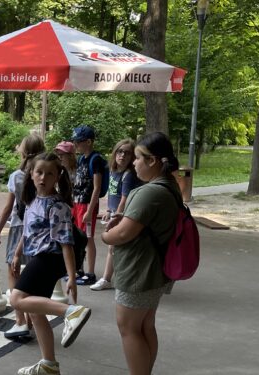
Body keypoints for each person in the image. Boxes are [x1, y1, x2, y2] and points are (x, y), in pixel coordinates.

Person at [101, 132, 179, 375]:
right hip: (154, 270)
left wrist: (106, 236)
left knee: (129, 328)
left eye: (137, 158)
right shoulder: (168, 186)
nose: (133, 163)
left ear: (153, 161)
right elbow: (144, 222)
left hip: (139, 272)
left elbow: (123, 234)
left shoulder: (149, 192)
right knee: (145, 326)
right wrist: (127, 218)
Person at [9, 152, 91, 375]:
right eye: (39, 172)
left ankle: (71, 312)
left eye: (49, 173)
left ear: (57, 177)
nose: (43, 177)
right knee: (35, 311)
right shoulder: (32, 201)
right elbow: (26, 233)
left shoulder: (57, 206)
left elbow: (66, 243)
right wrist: (17, 255)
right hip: (38, 257)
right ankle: (49, 365)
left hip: (51, 258)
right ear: (31, 174)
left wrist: (72, 276)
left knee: (17, 299)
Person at [0, 134, 44, 339]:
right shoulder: (42, 174)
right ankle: (31, 319)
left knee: (13, 273)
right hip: (37, 230)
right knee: (32, 274)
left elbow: (8, 208)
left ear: (23, 151)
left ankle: (20, 320)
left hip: (18, 228)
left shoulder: (17, 176)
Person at [92, 139, 142, 291]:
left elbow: (124, 199)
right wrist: (108, 210)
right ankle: (118, 278)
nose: (122, 155)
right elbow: (112, 193)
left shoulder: (128, 175)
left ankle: (107, 279)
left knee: (114, 247)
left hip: (124, 215)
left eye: (127, 153)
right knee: (115, 248)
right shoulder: (114, 171)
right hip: (115, 213)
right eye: (120, 151)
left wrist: (116, 216)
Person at [71, 125, 106, 285]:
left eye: (79, 141)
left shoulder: (95, 159)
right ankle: (80, 269)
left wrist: (90, 210)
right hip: (77, 203)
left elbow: (97, 187)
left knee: (89, 238)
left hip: (87, 205)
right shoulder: (81, 159)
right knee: (78, 237)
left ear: (89, 142)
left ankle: (90, 273)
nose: (76, 144)